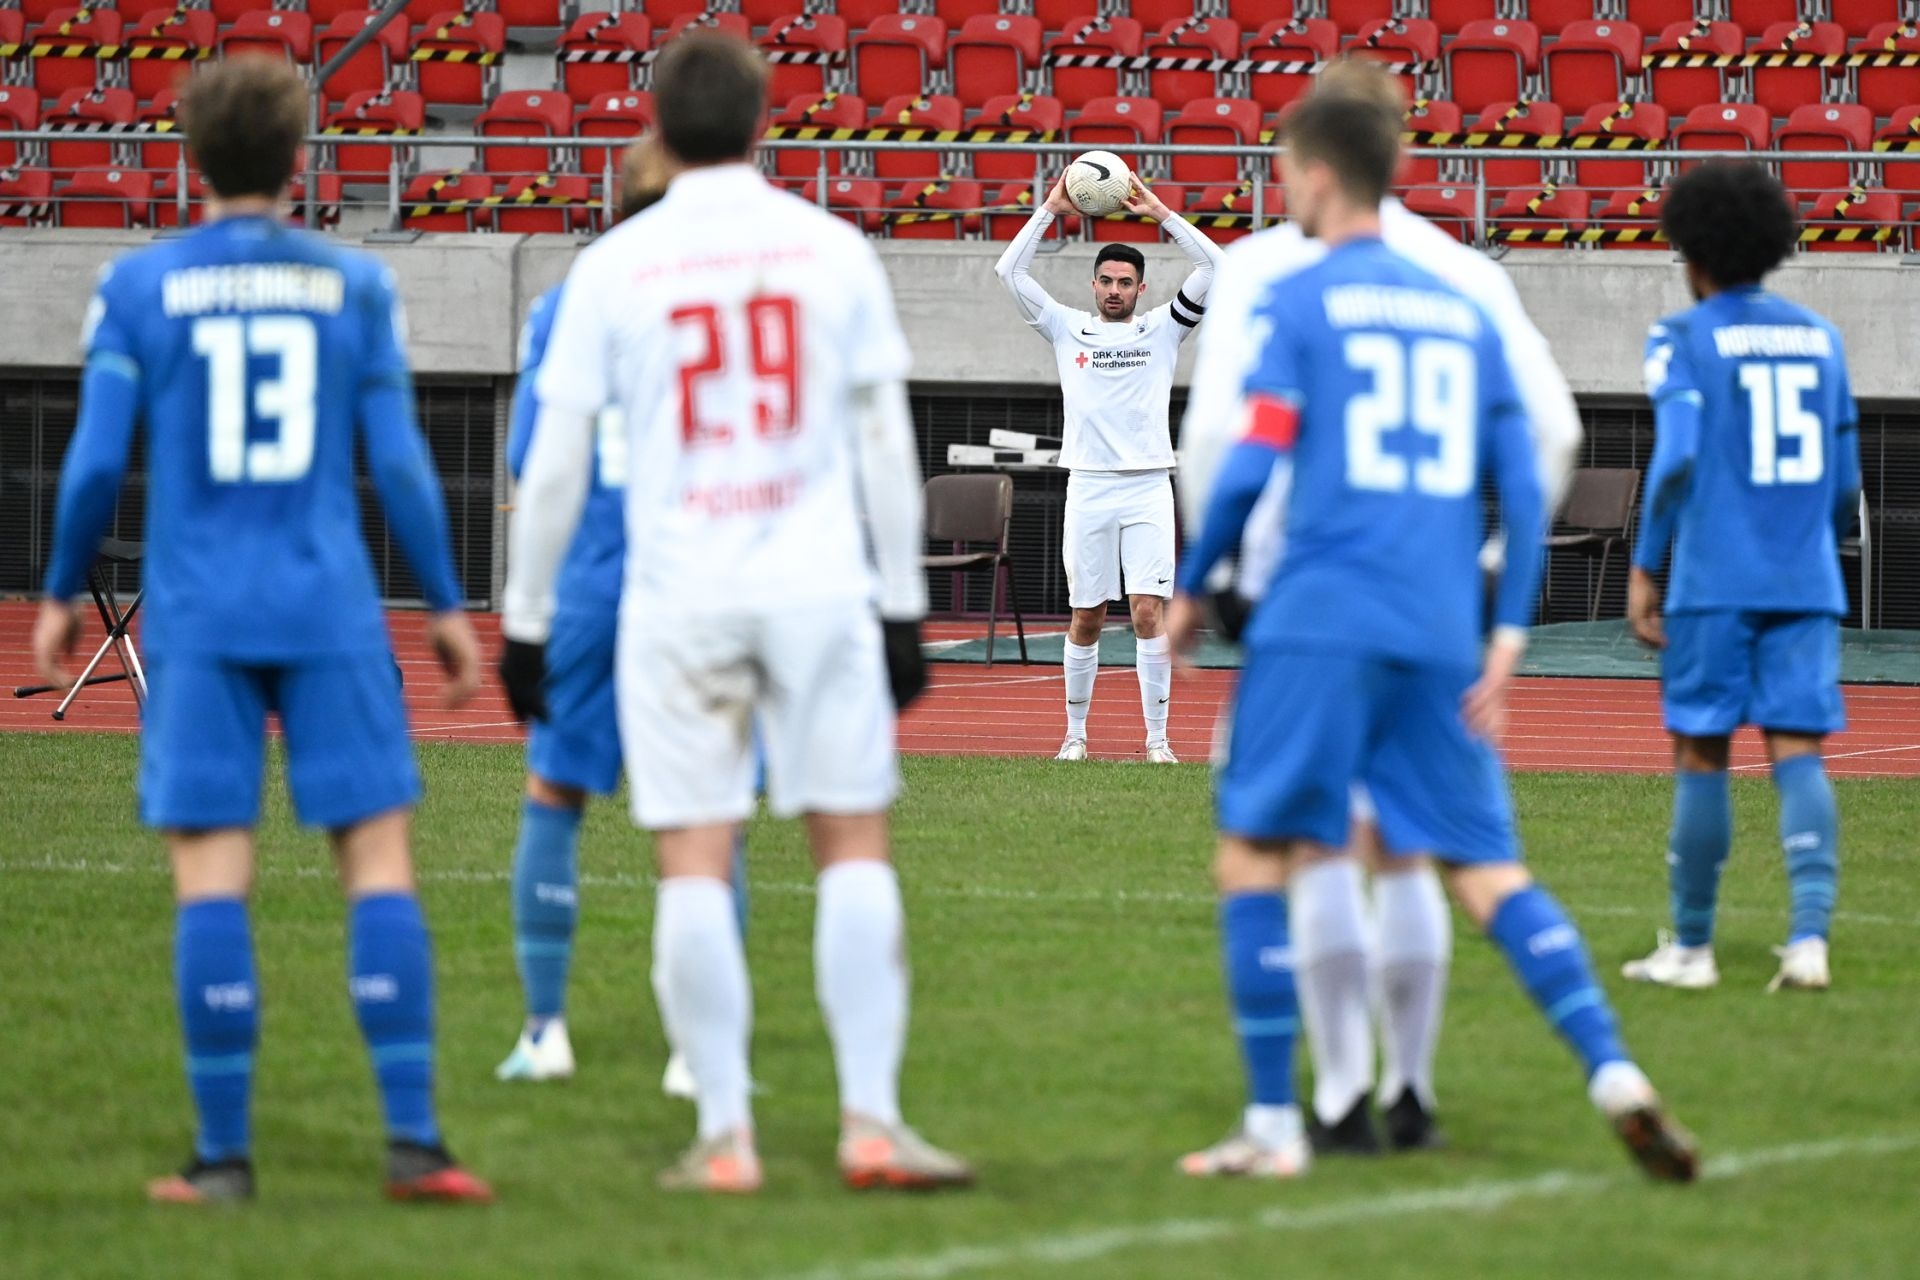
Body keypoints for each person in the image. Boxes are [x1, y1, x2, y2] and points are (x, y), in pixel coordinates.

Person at [1166, 81, 1696, 1183]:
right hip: (1439, 615)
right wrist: (1505, 626)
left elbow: (1248, 445)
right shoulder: (1463, 297)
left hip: (1314, 609)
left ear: (1316, 172)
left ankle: (1282, 1120)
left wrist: (1194, 577)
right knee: (1477, 864)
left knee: (1262, 849)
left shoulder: (1295, 291)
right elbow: (1527, 457)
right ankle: (1611, 1071)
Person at [497, 33, 971, 1194]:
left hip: (679, 592)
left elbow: (551, 464)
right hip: (814, 583)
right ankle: (870, 1120)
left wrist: (523, 617)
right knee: (851, 840)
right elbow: (879, 438)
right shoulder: (833, 247)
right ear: (766, 118)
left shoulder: (613, 268)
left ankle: (724, 1137)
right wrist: (904, 605)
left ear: (653, 121)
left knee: (693, 858)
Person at [29, 57, 490, 1205]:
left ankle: (224, 1159)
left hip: (199, 612)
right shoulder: (354, 286)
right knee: (377, 864)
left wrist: (52, 592)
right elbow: (398, 462)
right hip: (328, 606)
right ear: (300, 160)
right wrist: (441, 604)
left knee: (212, 878)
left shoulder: (140, 287)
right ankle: (416, 1142)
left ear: (190, 155)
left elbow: (94, 460)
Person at [495, 136, 751, 1096]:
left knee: (555, 794)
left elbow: (536, 454)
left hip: (596, 582)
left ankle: (544, 1031)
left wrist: (526, 614)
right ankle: (696, 1051)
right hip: (701, 580)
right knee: (709, 817)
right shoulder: (731, 297)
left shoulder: (571, 300)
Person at [1623, 161, 1859, 994]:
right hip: (1805, 578)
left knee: (1702, 751)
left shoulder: (1681, 338)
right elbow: (1844, 482)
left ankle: (1690, 950)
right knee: (1798, 752)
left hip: (1716, 579)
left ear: (1690, 252)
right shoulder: (1821, 337)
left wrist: (1647, 564)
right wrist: (1808, 550)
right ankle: (1809, 945)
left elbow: (1678, 454)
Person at [993, 174, 1225, 763]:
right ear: (1094, 284)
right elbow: (1009, 273)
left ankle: (1158, 741)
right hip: (1089, 486)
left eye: (1126, 282)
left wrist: (1162, 214)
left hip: (1149, 485)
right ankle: (1074, 736)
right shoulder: (1065, 324)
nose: (1116, 289)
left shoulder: (1165, 326)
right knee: (1088, 616)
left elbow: (1220, 269)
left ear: (1141, 287)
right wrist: (1048, 207)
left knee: (1148, 611)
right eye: (1107, 280)